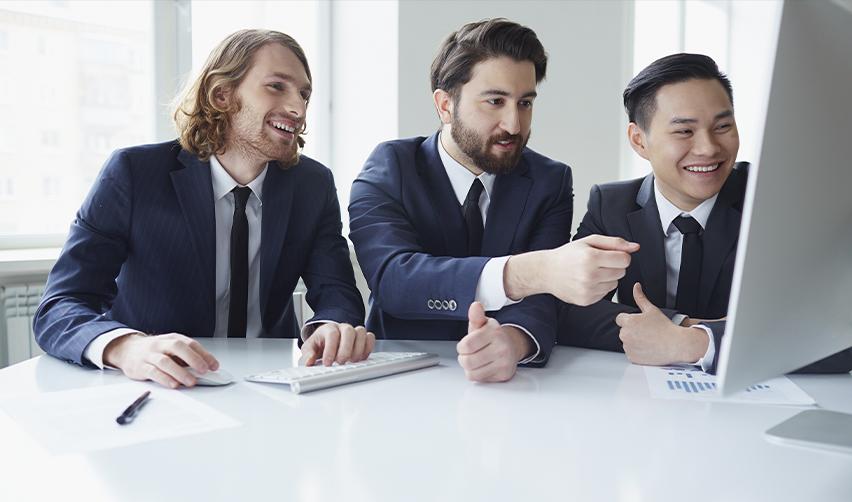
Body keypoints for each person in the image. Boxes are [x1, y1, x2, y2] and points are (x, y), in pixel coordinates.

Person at [34, 29, 374, 388]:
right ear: (222, 94)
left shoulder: (313, 185)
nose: (298, 108)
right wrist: (127, 348)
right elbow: (60, 306)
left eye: (304, 94)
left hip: (273, 385)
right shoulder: (134, 174)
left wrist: (332, 328)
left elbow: (337, 292)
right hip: (157, 386)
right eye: (277, 86)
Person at [349, 19, 637, 383]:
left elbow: (543, 300)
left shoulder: (550, 180)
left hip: (512, 385)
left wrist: (513, 342)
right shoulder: (391, 167)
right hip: (399, 376)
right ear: (445, 105)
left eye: (525, 102)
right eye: (495, 101)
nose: (514, 125)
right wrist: (529, 273)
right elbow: (394, 280)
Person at [559, 53, 852, 374]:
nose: (709, 148)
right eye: (684, 131)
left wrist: (694, 342)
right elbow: (570, 308)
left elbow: (838, 333)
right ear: (639, 140)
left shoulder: (776, 201)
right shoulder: (611, 204)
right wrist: (682, 324)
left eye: (723, 126)